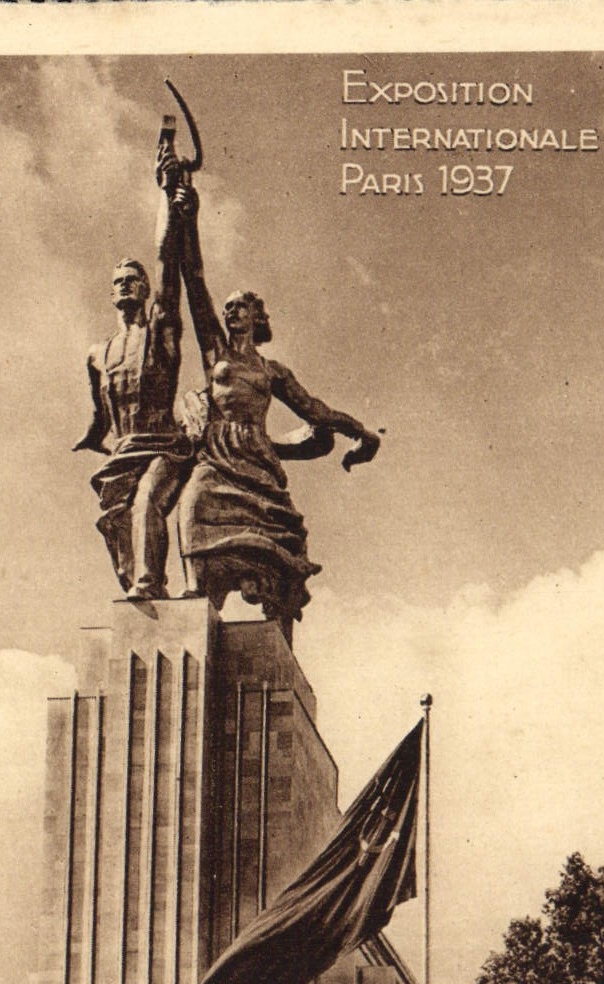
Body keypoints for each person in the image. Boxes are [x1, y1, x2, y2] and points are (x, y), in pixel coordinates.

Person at [174, 181, 380, 631]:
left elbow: (316, 412)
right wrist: (187, 217)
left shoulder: (272, 371)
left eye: (239, 307)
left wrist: (361, 432)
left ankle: (278, 615)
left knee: (280, 543)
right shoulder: (215, 354)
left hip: (257, 462)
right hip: (217, 457)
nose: (229, 313)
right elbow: (194, 279)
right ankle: (194, 595)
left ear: (256, 316)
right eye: (226, 308)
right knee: (192, 503)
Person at [74, 141, 193, 601]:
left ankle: (151, 585)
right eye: (117, 281)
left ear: (144, 289)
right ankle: (138, 583)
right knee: (118, 524)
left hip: (164, 446)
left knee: (147, 504)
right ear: (111, 295)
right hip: (122, 452)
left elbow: (168, 260)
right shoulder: (97, 353)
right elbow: (100, 417)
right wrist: (93, 439)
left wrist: (166, 192)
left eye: (133, 279)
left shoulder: (160, 332)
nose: (126, 285)